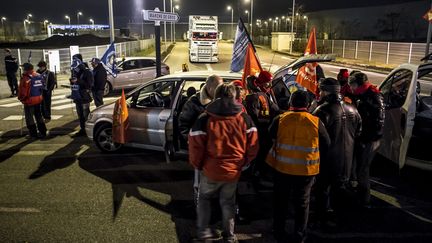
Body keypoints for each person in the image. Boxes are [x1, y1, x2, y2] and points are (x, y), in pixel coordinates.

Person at [188, 83, 259, 242]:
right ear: (234, 97)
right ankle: (229, 236)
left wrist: (198, 165)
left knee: (204, 199)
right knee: (228, 203)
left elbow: (195, 145)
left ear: (215, 96)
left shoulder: (205, 118)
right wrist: (244, 163)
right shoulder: (244, 118)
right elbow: (253, 144)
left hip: (210, 170)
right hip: (233, 171)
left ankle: (204, 233)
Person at [266, 90, 330, 243]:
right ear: (308, 105)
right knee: (302, 204)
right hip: (306, 170)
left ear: (290, 103)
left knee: (281, 201)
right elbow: (327, 143)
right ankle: (300, 235)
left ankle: (278, 231)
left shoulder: (280, 119)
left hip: (282, 169)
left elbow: (269, 137)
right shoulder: (316, 121)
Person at [312, 78, 362, 223]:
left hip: (327, 158)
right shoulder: (352, 108)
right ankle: (339, 218)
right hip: (348, 157)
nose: (320, 93)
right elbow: (359, 131)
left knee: (323, 189)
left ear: (325, 91)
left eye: (321, 90)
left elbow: (314, 135)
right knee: (340, 189)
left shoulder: (322, 110)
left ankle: (323, 218)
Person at [349, 71, 385, 208]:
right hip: (364, 138)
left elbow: (379, 122)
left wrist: (366, 139)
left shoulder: (374, 96)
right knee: (359, 168)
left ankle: (365, 201)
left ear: (357, 84)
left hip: (370, 140)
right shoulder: (364, 94)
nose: (351, 89)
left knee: (363, 170)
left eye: (352, 86)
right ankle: (360, 194)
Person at [244, 71, 279, 183]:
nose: (269, 86)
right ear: (260, 84)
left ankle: (260, 174)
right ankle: (256, 176)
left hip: (265, 131)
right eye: (267, 84)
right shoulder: (253, 97)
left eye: (270, 83)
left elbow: (275, 110)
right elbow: (253, 118)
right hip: (259, 132)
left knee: (264, 154)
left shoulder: (264, 95)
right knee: (259, 155)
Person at [179, 74, 223, 141]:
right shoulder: (193, 102)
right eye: (218, 88)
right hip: (200, 145)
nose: (221, 91)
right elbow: (183, 124)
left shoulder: (222, 100)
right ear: (209, 88)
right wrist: (191, 141)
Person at [18, 63, 47, 139]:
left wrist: (21, 98)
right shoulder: (38, 75)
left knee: (29, 117)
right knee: (38, 116)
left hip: (29, 100)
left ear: (26, 69)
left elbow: (23, 90)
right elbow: (43, 86)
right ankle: (43, 132)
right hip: (38, 99)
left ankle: (33, 134)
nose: (22, 70)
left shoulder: (25, 78)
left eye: (23, 68)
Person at [70, 54, 94, 137]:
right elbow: (74, 82)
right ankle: (83, 130)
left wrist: (78, 80)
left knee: (85, 114)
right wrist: (72, 81)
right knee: (80, 115)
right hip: (77, 97)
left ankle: (88, 130)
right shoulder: (74, 71)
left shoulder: (87, 71)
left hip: (84, 97)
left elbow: (89, 84)